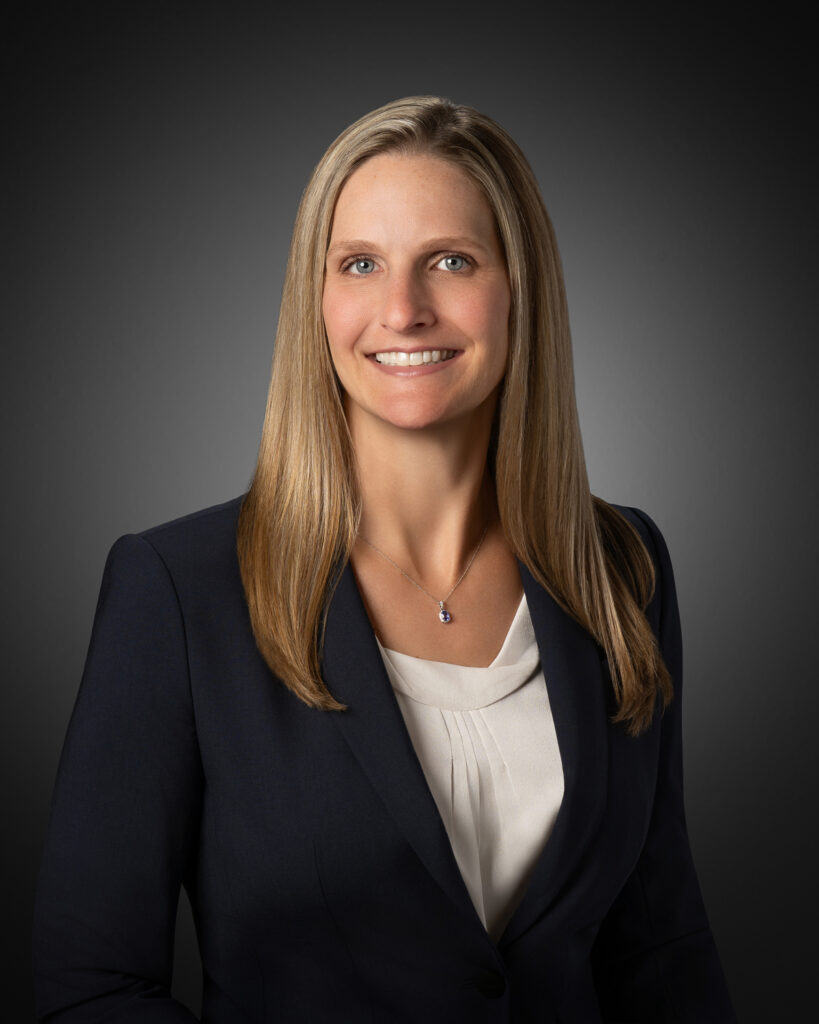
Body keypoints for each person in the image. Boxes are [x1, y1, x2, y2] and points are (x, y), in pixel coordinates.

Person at [33, 96, 736, 1022]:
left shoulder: (622, 567)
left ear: (518, 287)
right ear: (314, 299)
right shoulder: (177, 590)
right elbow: (90, 989)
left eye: (450, 260)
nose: (402, 310)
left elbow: (659, 950)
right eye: (359, 264)